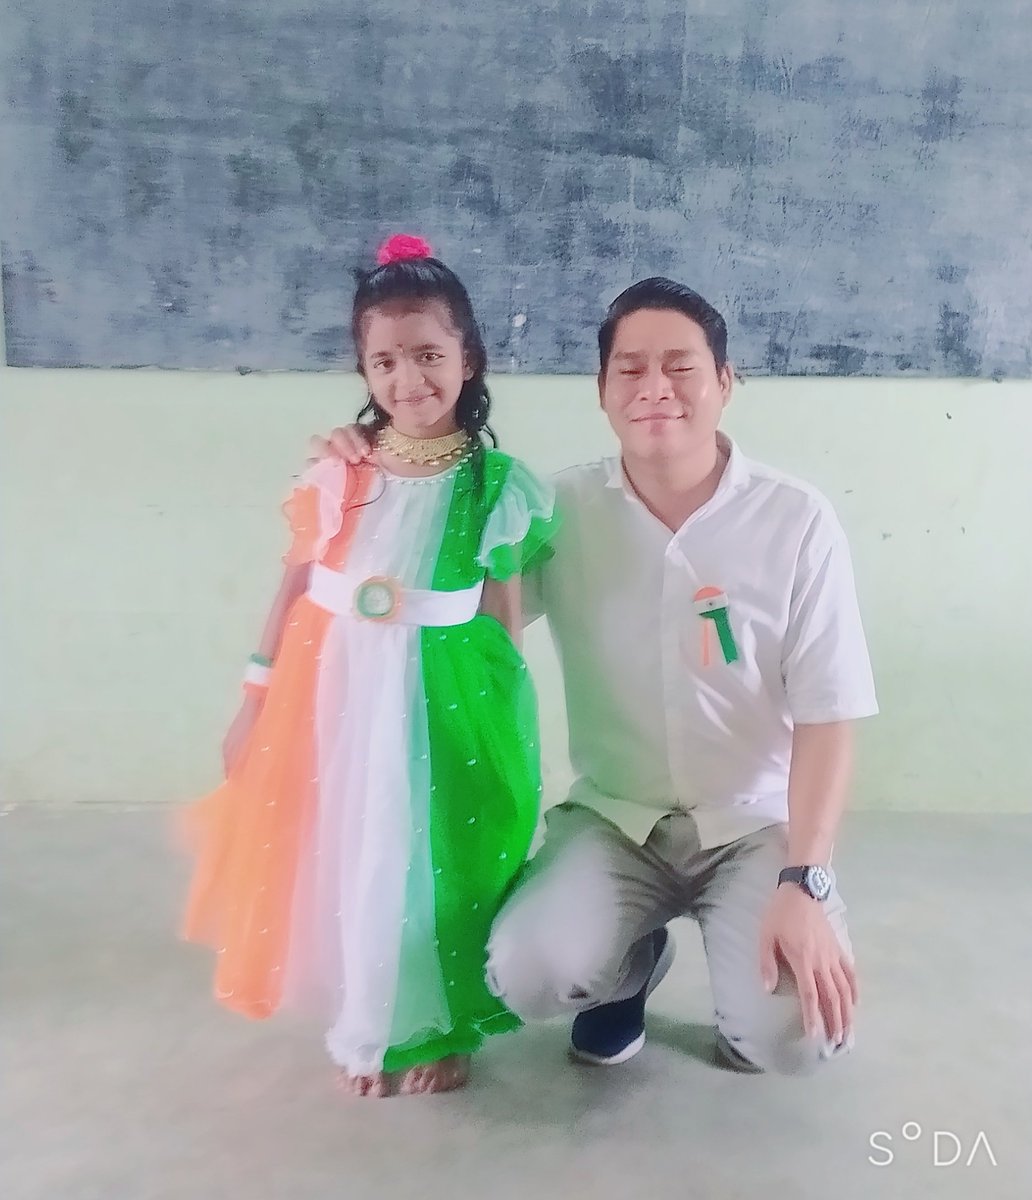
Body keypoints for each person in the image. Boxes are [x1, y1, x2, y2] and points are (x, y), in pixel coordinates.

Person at [315, 275, 878, 1078]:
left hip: (753, 823)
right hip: (616, 820)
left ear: (726, 381)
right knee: (525, 971)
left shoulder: (796, 520)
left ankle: (748, 988)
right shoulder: (556, 509)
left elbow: (830, 714)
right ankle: (631, 969)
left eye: (681, 366)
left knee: (795, 1043)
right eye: (631, 368)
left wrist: (806, 878)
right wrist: (372, 467)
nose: (656, 388)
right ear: (602, 390)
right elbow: (445, 609)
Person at [180, 235, 559, 1098]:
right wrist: (254, 699)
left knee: (436, 855)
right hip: (332, 690)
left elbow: (502, 620)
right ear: (363, 369)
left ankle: (435, 1025)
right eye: (384, 361)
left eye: (428, 355)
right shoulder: (338, 471)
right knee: (355, 848)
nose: (407, 379)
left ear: (468, 359)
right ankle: (370, 1024)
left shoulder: (498, 485)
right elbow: (293, 587)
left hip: (443, 695)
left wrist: (503, 725)